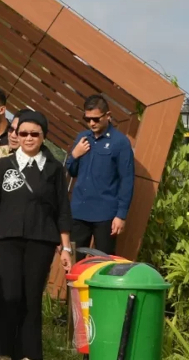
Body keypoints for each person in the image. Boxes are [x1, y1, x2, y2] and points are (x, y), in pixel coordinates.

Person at [0, 111, 73, 360]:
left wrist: (66, 249)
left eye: (34, 134)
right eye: (23, 133)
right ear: (16, 135)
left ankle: (30, 354)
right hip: (6, 240)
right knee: (9, 296)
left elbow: (63, 210)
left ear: (43, 137)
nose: (28, 138)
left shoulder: (54, 169)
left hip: (40, 240)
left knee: (31, 301)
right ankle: (5, 352)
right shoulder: (4, 165)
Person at [66, 94, 134, 260]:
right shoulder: (82, 138)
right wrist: (74, 155)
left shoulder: (120, 142)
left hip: (106, 216)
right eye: (87, 119)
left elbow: (127, 179)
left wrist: (121, 215)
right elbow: (71, 171)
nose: (91, 123)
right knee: (75, 264)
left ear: (108, 116)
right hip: (79, 212)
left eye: (96, 119)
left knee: (104, 265)